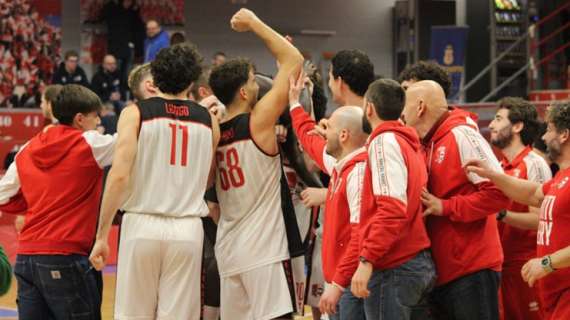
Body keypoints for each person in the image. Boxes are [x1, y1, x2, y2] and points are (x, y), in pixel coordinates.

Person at [89, 43, 219, 320]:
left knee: (133, 315)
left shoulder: (135, 112)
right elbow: (208, 177)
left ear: (155, 76)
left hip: (142, 223)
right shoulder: (209, 120)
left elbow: (119, 176)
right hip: (188, 228)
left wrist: (101, 235)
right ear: (193, 80)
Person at [208, 8, 303, 320]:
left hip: (228, 250)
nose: (258, 86)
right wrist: (254, 23)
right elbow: (294, 61)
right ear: (244, 92)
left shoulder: (214, 130)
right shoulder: (258, 122)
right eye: (252, 80)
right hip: (262, 253)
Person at [0, 84, 116, 319]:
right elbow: (131, 140)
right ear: (80, 119)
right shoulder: (91, 144)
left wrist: (36, 202)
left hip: (26, 258)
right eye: (96, 117)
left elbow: (3, 195)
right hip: (66, 254)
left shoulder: (27, 148)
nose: (99, 122)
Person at [401, 80, 510, 319]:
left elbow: (500, 193)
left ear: (420, 107)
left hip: (472, 269)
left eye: (405, 106)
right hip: (441, 272)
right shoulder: (425, 144)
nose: (402, 114)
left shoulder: (462, 135)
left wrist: (446, 206)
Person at [466, 101, 570, 320]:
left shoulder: (534, 163)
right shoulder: (561, 177)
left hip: (551, 277)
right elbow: (533, 194)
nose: (543, 137)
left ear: (564, 135)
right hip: (546, 283)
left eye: (549, 130)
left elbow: (534, 214)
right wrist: (493, 175)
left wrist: (547, 262)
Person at [341, 79, 435, 319]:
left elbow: (392, 209)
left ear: (369, 108)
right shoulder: (408, 142)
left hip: (396, 265)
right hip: (413, 262)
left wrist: (366, 259)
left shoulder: (384, 141)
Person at [288, 75, 367, 319]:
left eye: (329, 127)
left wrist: (338, 285)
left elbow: (359, 237)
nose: (323, 128)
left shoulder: (359, 172)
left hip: (350, 283)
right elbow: (309, 139)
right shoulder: (340, 163)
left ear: (343, 136)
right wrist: (294, 104)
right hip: (340, 282)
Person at [489, 97, 551, 319]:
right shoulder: (498, 167)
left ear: (517, 126)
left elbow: (542, 218)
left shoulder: (535, 163)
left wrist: (501, 214)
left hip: (526, 263)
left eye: (498, 119)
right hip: (501, 263)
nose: (491, 125)